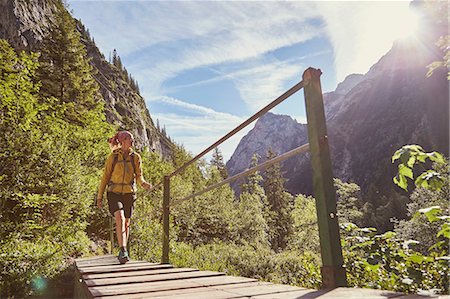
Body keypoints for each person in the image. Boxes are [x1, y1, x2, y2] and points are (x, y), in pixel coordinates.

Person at [97, 131, 152, 264]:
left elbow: (139, 176)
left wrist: (143, 183)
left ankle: (124, 249)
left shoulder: (136, 157)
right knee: (120, 218)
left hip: (129, 193)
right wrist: (99, 197)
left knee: (126, 223)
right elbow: (105, 177)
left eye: (132, 139)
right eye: (130, 139)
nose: (132, 142)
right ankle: (123, 250)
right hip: (114, 192)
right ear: (122, 141)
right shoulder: (113, 157)